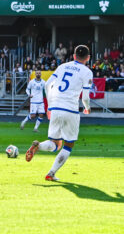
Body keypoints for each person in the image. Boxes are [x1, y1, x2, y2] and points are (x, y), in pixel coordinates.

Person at [25, 45, 93, 181]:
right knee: (68, 144)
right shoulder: (87, 72)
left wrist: (50, 106)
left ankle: (38, 146)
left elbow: (47, 84)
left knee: (55, 143)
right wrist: (87, 108)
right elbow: (85, 97)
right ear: (88, 58)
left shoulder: (62, 66)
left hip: (56, 107)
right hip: (71, 109)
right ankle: (51, 173)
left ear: (73, 56)